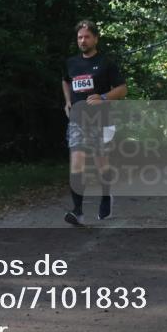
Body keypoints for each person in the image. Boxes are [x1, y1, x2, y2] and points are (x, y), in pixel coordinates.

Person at [62, 20, 127, 225]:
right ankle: (78, 211)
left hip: (102, 121)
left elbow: (122, 89)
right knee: (77, 162)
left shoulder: (106, 62)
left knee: (101, 164)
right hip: (77, 120)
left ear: (96, 39)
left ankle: (106, 196)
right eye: (80, 37)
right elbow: (65, 80)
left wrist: (103, 97)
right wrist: (67, 101)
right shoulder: (71, 62)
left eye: (87, 37)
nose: (83, 40)